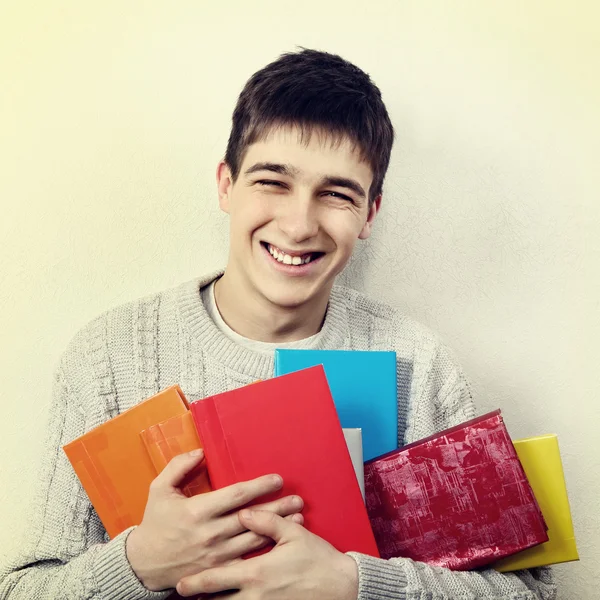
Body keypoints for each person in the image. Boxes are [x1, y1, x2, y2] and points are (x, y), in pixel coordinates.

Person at [0, 48, 556, 600]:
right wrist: (141, 563)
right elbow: (24, 589)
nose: (298, 224)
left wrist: (357, 584)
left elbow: (531, 591)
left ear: (370, 214)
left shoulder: (418, 361)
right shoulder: (109, 356)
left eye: (337, 194)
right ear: (225, 185)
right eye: (272, 181)